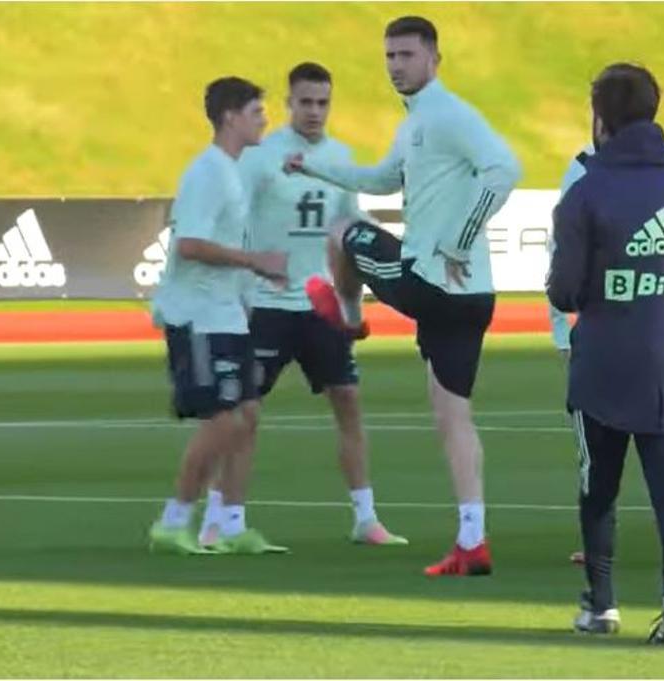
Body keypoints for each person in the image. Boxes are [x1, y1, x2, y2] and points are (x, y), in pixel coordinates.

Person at [284, 15, 521, 576]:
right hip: (469, 296)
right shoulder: (417, 123)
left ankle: (347, 316)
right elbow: (383, 179)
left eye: (407, 56)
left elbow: (504, 169)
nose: (396, 66)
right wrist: (315, 165)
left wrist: (460, 238)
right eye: (390, 56)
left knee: (341, 232)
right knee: (452, 416)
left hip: (433, 282)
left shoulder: (448, 114)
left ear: (434, 58)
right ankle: (472, 541)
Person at [548, 63, 664, 643]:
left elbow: (564, 290)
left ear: (599, 118)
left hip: (603, 364)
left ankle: (600, 604)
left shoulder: (586, 191)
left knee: (598, 489)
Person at [197, 62, 407, 548]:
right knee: (241, 413)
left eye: (323, 102)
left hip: (321, 305)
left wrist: (355, 301)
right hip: (265, 305)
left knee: (349, 402)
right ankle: (218, 520)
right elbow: (229, 219)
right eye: (306, 102)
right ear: (289, 104)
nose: (315, 111)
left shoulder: (340, 157)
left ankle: (365, 519)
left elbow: (347, 230)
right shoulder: (260, 158)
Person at [146, 76, 290, 556]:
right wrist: (255, 263)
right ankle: (173, 521)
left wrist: (254, 282)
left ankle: (230, 523)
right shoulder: (206, 172)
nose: (264, 119)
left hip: (227, 313)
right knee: (224, 421)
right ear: (230, 116)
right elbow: (189, 244)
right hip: (198, 316)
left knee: (247, 415)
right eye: (255, 111)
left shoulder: (230, 170)